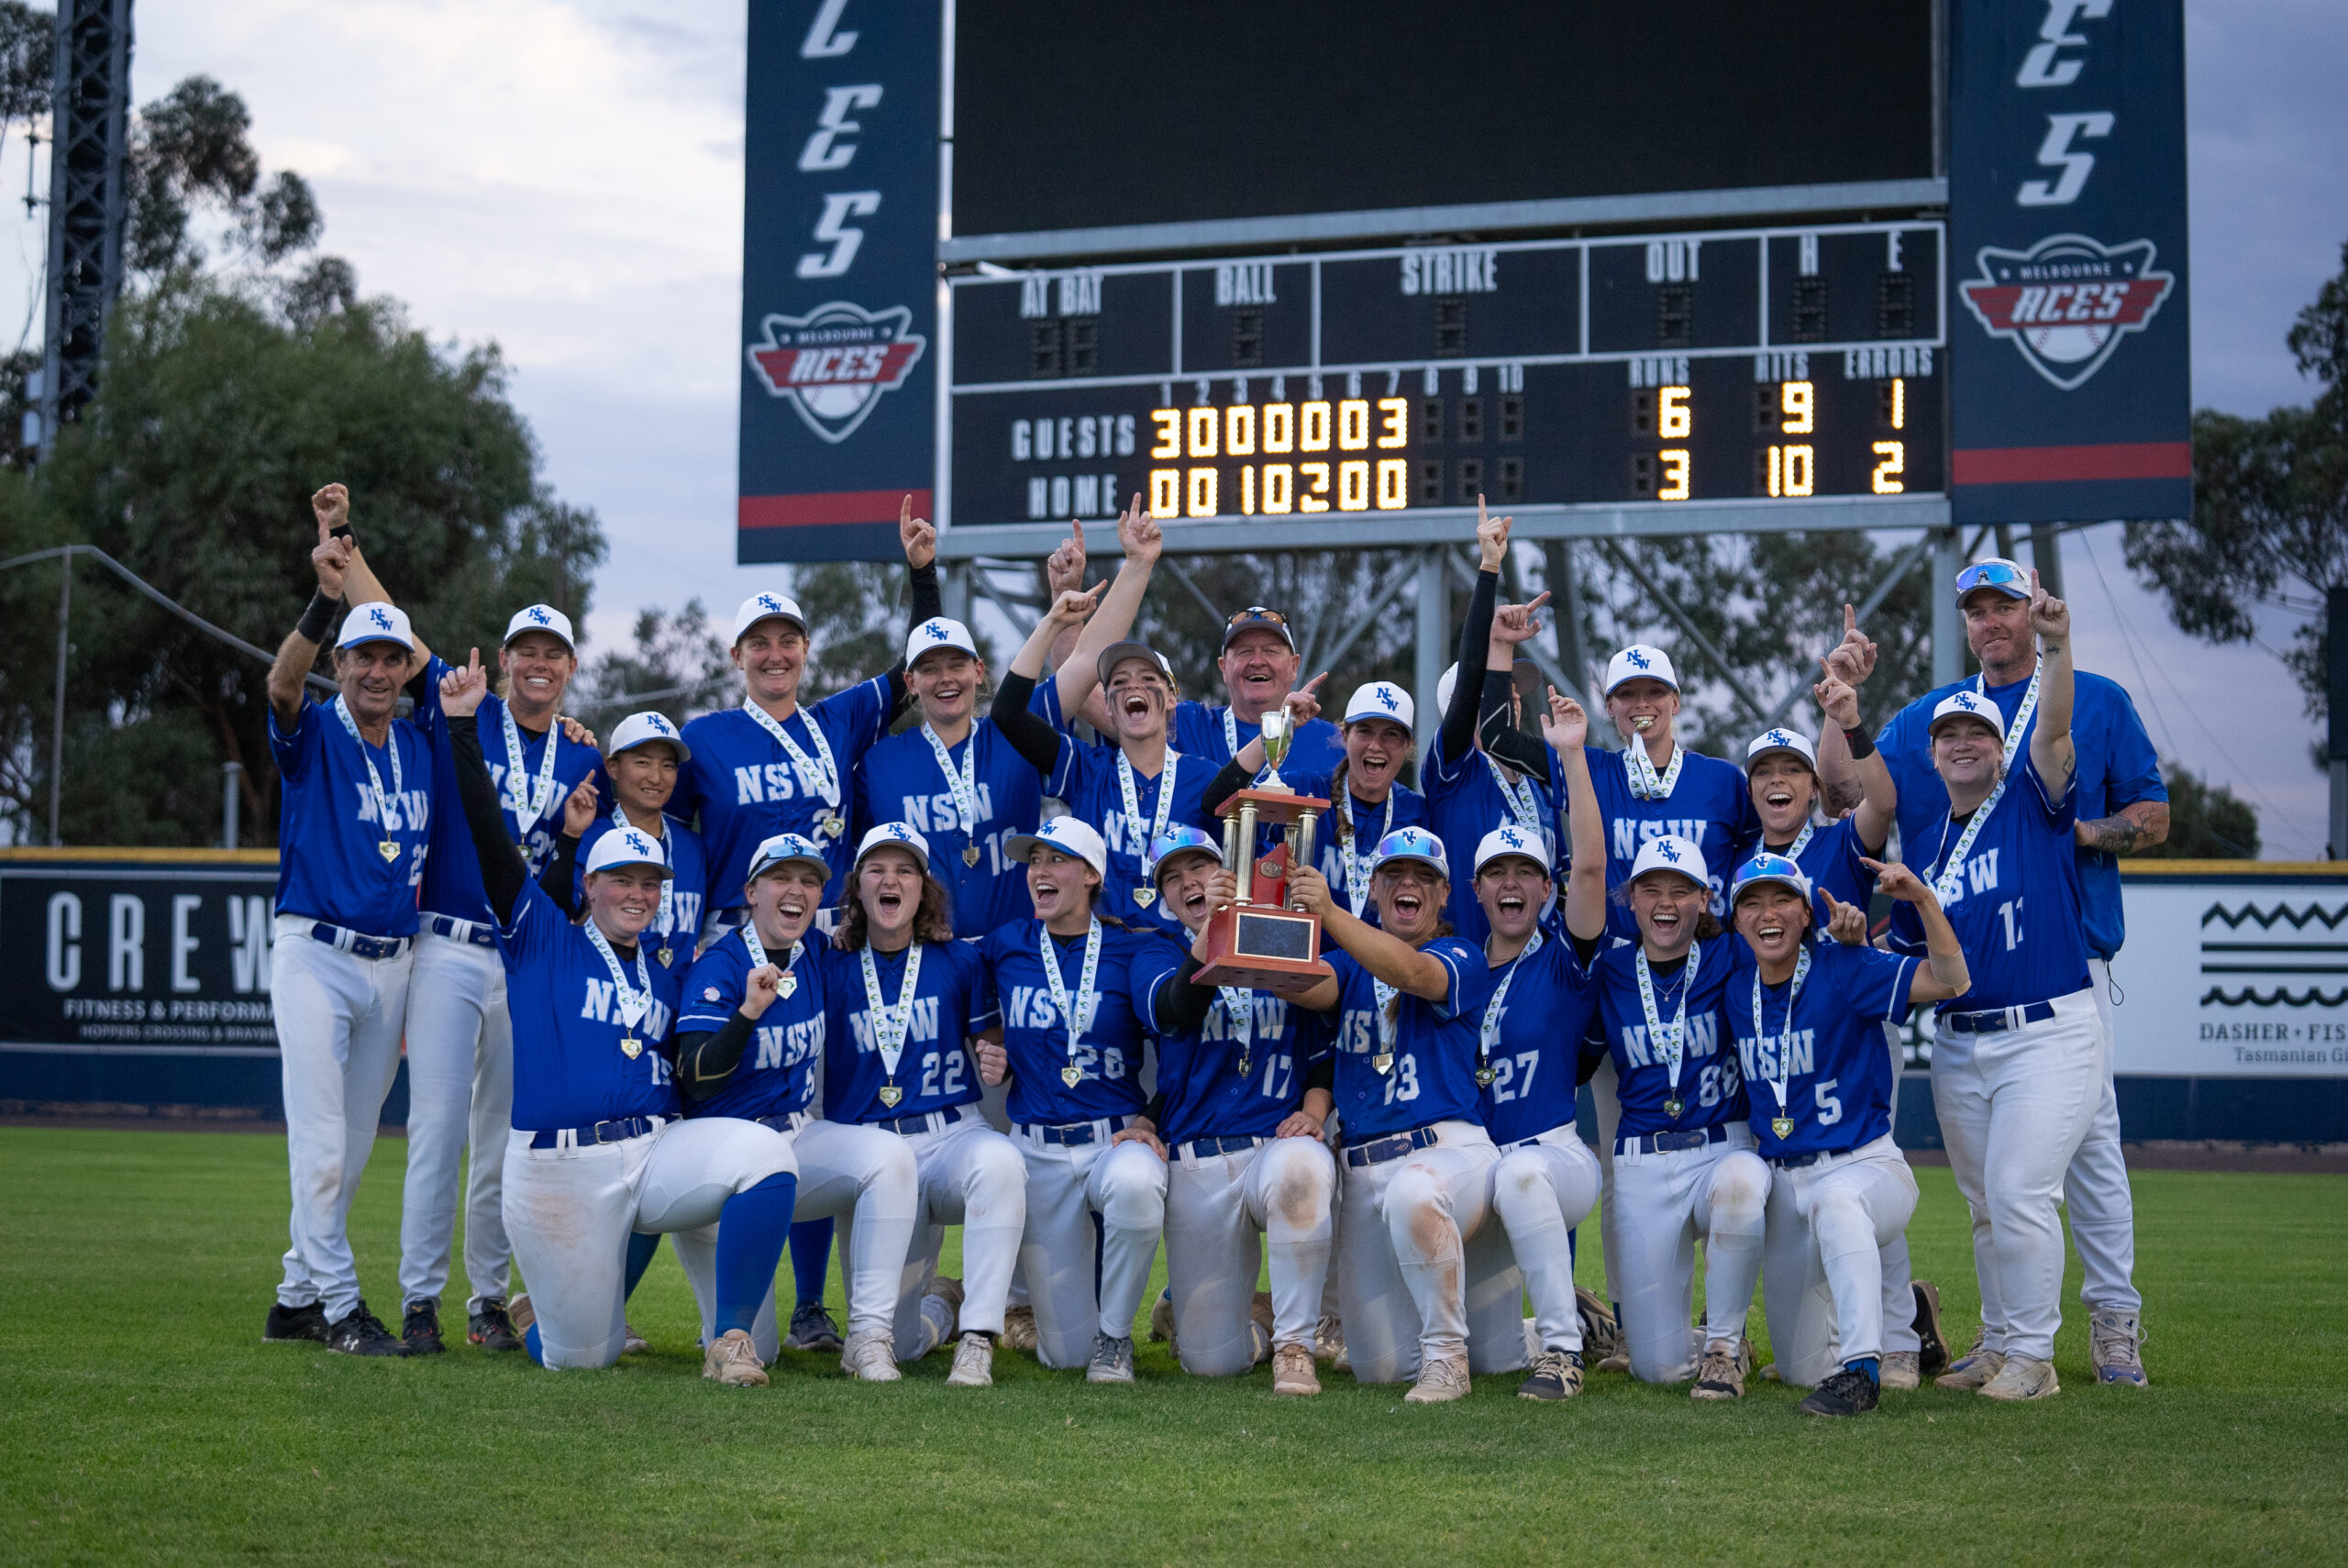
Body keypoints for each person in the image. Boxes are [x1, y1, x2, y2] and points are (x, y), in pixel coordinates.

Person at [1822, 569, 2166, 1387]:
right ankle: (2006, 1334)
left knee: (2083, 1158)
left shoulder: (2090, 703)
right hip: (1967, 988)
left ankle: (2111, 1322)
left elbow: (2151, 816)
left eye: (2004, 605)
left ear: (2030, 609)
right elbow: (1843, 790)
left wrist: (2061, 834)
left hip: (2069, 961)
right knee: (1994, 1192)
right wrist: (1841, 703)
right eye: (1975, 611)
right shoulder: (1928, 719)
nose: (1989, 621)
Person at [435, 650, 798, 1384]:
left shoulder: (666, 975)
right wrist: (463, 728)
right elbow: (485, 830)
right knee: (584, 1358)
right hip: (560, 1169)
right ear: (591, 883)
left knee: (766, 1157)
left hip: (652, 1153)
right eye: (622, 880)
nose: (639, 894)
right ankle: (550, 1313)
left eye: (651, 882)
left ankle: (730, 1339)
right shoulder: (542, 939)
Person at [305, 482, 608, 1357]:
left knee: (503, 1136)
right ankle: (418, 1301)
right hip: (445, 945)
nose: (539, 665)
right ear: (505, 659)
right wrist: (342, 542)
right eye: (527, 651)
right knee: (436, 1131)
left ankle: (487, 1299)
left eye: (554, 654)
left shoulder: (584, 753)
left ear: (571, 669)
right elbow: (387, 620)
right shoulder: (460, 705)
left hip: (523, 956)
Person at [1883, 574, 2101, 1403]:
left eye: (1978, 732)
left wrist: (2055, 644)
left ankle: (2034, 1360)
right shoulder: (1927, 843)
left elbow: (2055, 729)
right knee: (1984, 1202)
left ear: (1999, 746)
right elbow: (1910, 957)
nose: (1964, 744)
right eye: (1950, 736)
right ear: (1933, 754)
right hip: (1961, 1041)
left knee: (2019, 1192)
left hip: (2047, 1031)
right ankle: (2000, 1340)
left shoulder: (2032, 799)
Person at [259, 525, 437, 1358]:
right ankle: (338, 1308)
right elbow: (279, 685)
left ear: (404, 670)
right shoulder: (317, 731)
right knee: (322, 1146)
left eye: (391, 659)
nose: (377, 671)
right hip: (316, 955)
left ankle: (294, 1297)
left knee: (353, 1153)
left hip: (392, 966)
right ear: (342, 663)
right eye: (363, 657)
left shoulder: (421, 744)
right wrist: (326, 598)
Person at [666, 826, 924, 1384]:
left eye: (809, 881)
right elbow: (697, 1079)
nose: (796, 890)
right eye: (780, 877)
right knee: (759, 1346)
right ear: (750, 892)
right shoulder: (721, 964)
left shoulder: (815, 956)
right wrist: (747, 1014)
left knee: (890, 1157)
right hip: (720, 1159)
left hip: (792, 1138)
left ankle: (869, 1337)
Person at [1723, 852, 1970, 1417]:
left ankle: (1862, 1370)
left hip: (1864, 1164)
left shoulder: (1843, 966)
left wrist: (1923, 900)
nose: (1768, 914)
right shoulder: (1737, 990)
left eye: (1782, 899)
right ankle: (1910, 1310)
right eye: (1752, 903)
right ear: (1736, 920)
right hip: (1784, 1182)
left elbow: (1953, 980)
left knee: (1838, 1203)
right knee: (1800, 1370)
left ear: (1807, 913)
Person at [1283, 828, 1507, 1402]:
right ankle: (1507, 1336)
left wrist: (1329, 911)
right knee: (1379, 1369)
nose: (1409, 884)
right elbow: (1299, 983)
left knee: (1415, 1188)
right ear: (1375, 890)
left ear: (1445, 894)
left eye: (1424, 877)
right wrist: (1246, 916)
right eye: (1394, 874)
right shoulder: (1350, 963)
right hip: (1364, 1169)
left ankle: (1448, 1359)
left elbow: (1411, 974)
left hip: (1446, 1150)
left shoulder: (1461, 954)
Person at [671, 496, 944, 934]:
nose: (775, 655)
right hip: (736, 930)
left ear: (806, 649)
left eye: (788, 642)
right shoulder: (703, 738)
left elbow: (916, 663)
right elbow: (670, 834)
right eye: (759, 644)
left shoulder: (839, 720)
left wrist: (922, 573)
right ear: (736, 656)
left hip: (829, 932)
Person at [817, 823, 1027, 1387]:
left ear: (923, 887)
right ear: (857, 887)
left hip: (949, 1136)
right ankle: (945, 1304)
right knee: (904, 1345)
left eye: (905, 870)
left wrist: (998, 1059)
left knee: (1001, 1162)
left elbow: (993, 1045)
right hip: (870, 1152)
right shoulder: (830, 963)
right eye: (877, 870)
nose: (891, 881)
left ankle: (979, 1337)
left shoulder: (958, 959)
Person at [1131, 826, 1336, 1396]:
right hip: (1199, 1155)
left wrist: (1316, 1108)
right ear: (1164, 898)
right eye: (1172, 878)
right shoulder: (1157, 951)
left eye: (1199, 868)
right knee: (1211, 1363)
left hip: (1275, 1142)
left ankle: (1295, 1345)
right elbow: (1175, 1009)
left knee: (1303, 1166)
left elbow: (1323, 1046)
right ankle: (1250, 1320)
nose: (1188, 883)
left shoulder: (1276, 935)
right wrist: (1213, 933)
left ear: (1228, 872)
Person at [976, 816, 1170, 1382]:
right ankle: (952, 1299)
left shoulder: (1131, 949)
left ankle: (1117, 1336)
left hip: (1114, 1136)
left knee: (1137, 1183)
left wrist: (1153, 1117)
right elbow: (953, 975)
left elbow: (1178, 1044)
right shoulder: (1006, 943)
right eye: (1034, 860)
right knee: (1064, 1354)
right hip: (1037, 1146)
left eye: (1057, 860)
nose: (1040, 870)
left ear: (1091, 876)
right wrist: (995, 1047)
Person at [1578, 835, 1768, 1397]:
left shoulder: (1733, 953)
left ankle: (1724, 1348)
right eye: (1652, 890)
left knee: (1741, 1186)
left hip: (1724, 1147)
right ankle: (1626, 1330)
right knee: (1657, 1367)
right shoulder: (1610, 969)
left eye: (1681, 890)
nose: (1666, 903)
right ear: (1631, 900)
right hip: (1644, 1157)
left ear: (1705, 899)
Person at [1470, 686, 1612, 1402]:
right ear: (1476, 889)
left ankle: (1562, 1352)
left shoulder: (1563, 959)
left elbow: (1590, 868)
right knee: (1478, 1356)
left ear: (1545, 889)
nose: (1512, 883)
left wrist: (1573, 757)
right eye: (1497, 872)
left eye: (1526, 871)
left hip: (1551, 1156)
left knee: (1523, 1174)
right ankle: (1579, 1322)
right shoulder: (1456, 970)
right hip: (1477, 1169)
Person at [996, 500, 1217, 938]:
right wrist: (1052, 621)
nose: (1134, 687)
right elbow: (1008, 714)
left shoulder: (1207, 777)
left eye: (1148, 678)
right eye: (1118, 682)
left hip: (1187, 953)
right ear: (1107, 707)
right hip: (1104, 953)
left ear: (1171, 699)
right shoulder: (1086, 769)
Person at [855, 614, 1060, 937]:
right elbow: (855, 859)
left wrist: (1056, 618)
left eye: (956, 665)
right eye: (929, 670)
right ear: (911, 682)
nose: (945, 678)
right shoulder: (879, 762)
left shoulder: (1016, 734)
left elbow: (1084, 666)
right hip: (926, 954)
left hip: (1016, 950)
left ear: (978, 671)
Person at [1421, 501, 1567, 946]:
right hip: (1468, 963)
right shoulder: (1453, 772)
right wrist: (1488, 571)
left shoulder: (1542, 782)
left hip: (1538, 968)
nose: (1512, 697)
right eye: (1498, 691)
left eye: (1514, 690)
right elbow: (1470, 683)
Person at [1202, 679, 1426, 933]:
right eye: (1364, 731)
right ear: (1344, 736)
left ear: (1408, 744)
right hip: (1303, 951)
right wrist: (1277, 729)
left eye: (1391, 735)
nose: (1375, 745)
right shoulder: (1306, 788)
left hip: (1379, 956)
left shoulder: (1417, 814)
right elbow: (1215, 804)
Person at [1582, 646, 1758, 944]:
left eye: (1656, 692)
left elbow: (1766, 847)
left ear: (1675, 702)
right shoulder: (1590, 770)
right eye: (1627, 694)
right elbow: (1504, 743)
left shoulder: (1722, 778)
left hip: (1712, 955)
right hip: (1620, 962)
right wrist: (1501, 645)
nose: (1642, 704)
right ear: (1610, 706)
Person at [572, 712, 706, 966]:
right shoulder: (588, 839)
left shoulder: (694, 847)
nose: (656, 777)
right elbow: (564, 923)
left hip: (681, 989)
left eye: (668, 765)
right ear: (613, 767)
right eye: (643, 762)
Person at [1173, 606, 1346, 777]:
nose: (1257, 661)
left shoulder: (1335, 742)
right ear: (1224, 667)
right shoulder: (1187, 726)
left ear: (1294, 666)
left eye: (1271, 651)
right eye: (1244, 652)